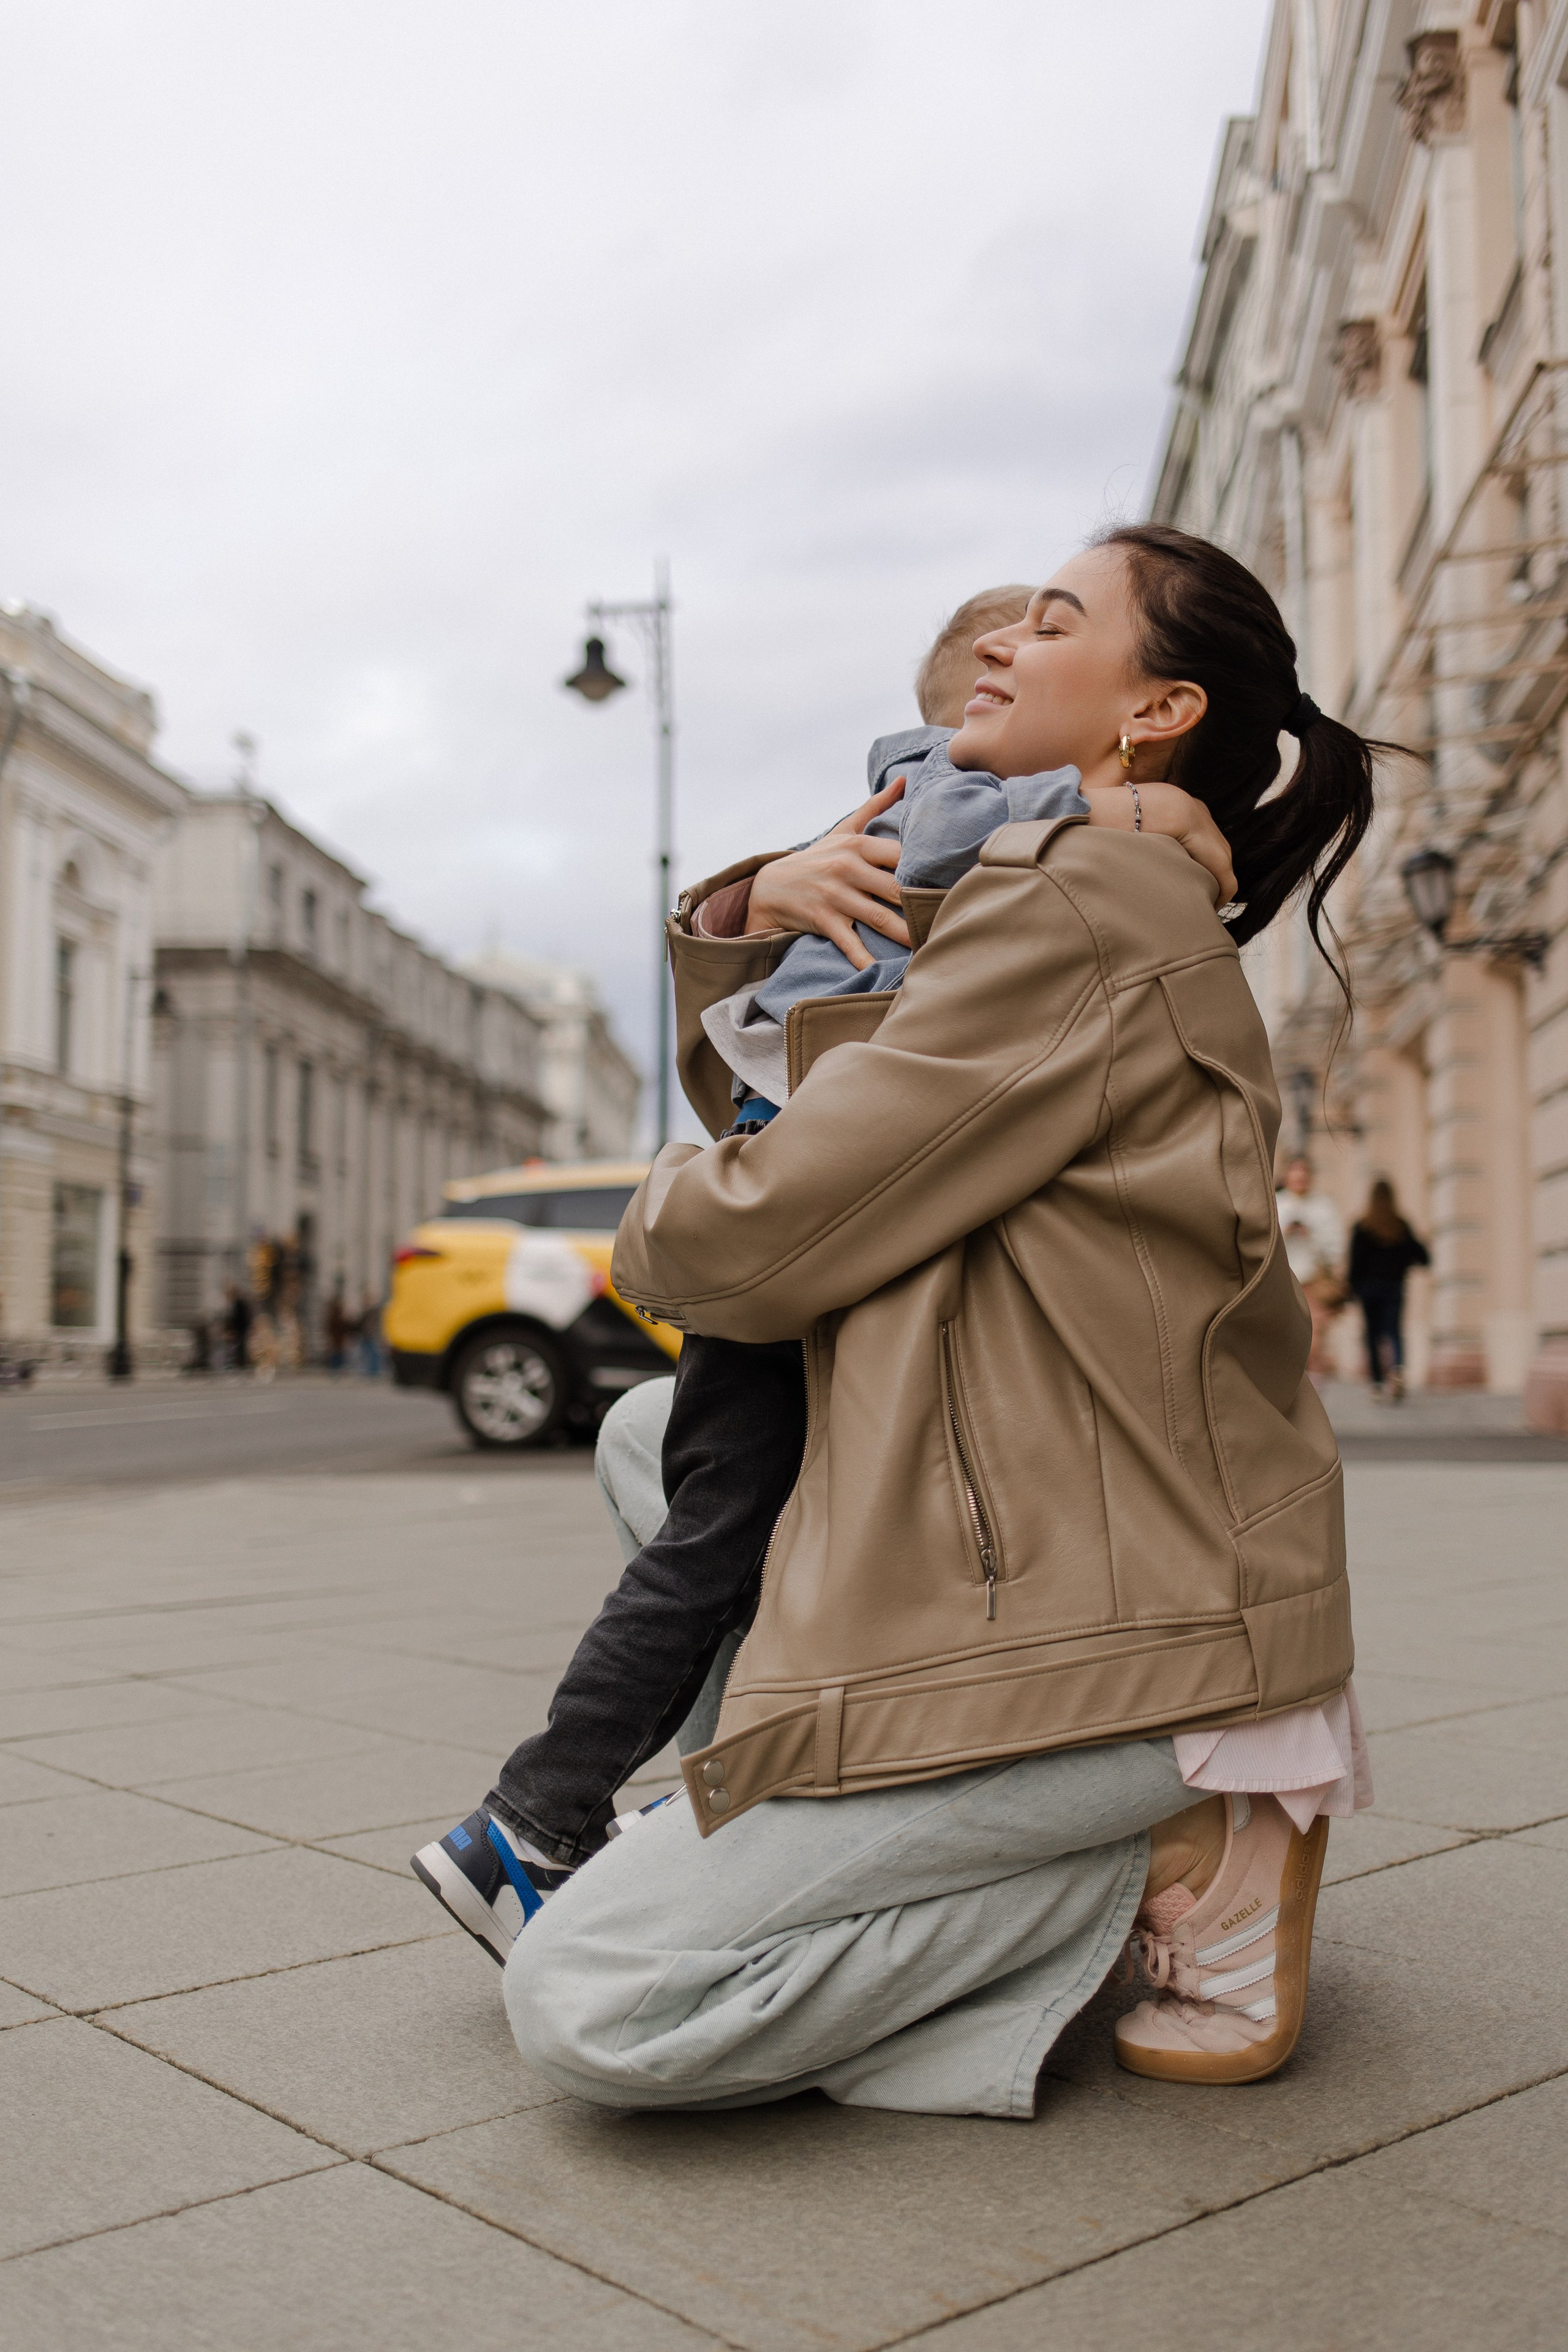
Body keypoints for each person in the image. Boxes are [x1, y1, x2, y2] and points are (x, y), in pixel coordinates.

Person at [485, 522, 1389, 2111]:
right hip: (1052, 1551)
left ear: (1153, 708)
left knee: (592, 2004)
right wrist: (765, 900)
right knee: (653, 1435)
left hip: (1127, 1639)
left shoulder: (1074, 897)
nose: (1001, 645)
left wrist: (635, 1224)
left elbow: (768, 1226)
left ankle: (1159, 1849)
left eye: (1051, 622)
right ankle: (821, 1837)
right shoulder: (1064, 878)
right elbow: (849, 1101)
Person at [412, 587, 1239, 1940]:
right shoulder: (949, 792)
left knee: (740, 1520)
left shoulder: (922, 820)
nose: (1011, 667)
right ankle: (535, 1819)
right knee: (723, 1530)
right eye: (1007, 656)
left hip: (809, 1173)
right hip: (809, 1177)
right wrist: (1126, 813)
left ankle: (643, 1806)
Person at [1348, 1178, 1428, 1401]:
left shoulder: (1362, 1227)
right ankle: (1397, 1370)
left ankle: (1377, 1384)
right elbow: (1422, 1257)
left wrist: (1352, 1289)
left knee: (1372, 1335)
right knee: (1394, 1330)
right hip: (1394, 1287)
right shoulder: (1400, 1226)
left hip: (1368, 1289)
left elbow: (1355, 1262)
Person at [1275, 1155, 1346, 1379]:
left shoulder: (1324, 1207)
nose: (1300, 1182)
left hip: (1314, 1279)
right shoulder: (1276, 1204)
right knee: (1285, 1332)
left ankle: (1310, 1380)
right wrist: (1285, 1233)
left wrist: (1311, 1235)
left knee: (1313, 1334)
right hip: (1282, 1278)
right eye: (1295, 1177)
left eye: (1304, 1177)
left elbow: (1335, 1245)